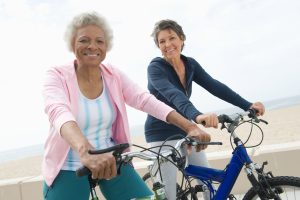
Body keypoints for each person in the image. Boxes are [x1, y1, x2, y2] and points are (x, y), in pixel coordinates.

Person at [42, 12, 211, 200]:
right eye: (84, 40)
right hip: (69, 165)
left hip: (112, 161)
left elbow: (145, 100)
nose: (92, 46)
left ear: (106, 46)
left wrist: (190, 126)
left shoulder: (113, 75)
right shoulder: (56, 75)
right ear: (73, 42)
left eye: (99, 41)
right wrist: (86, 151)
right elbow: (59, 113)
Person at [144, 19, 265, 199]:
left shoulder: (190, 64)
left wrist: (247, 105)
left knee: (210, 183)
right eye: (162, 41)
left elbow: (215, 86)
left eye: (172, 38)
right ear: (158, 46)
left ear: (182, 39)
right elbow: (174, 95)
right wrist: (197, 116)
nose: (168, 44)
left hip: (187, 132)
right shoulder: (156, 68)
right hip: (162, 135)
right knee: (168, 195)